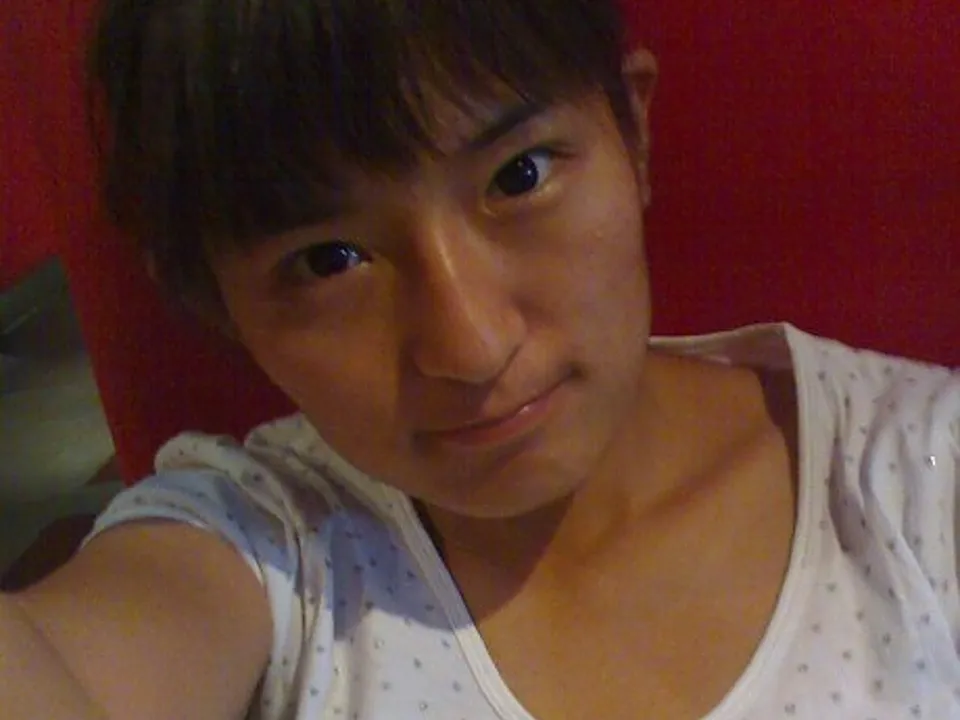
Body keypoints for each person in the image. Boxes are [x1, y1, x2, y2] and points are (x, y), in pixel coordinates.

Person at [1, 0, 958, 718]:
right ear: (219, 304)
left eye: (520, 175)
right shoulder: (267, 545)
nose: (471, 346)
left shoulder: (918, 476)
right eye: (329, 260)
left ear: (633, 133)